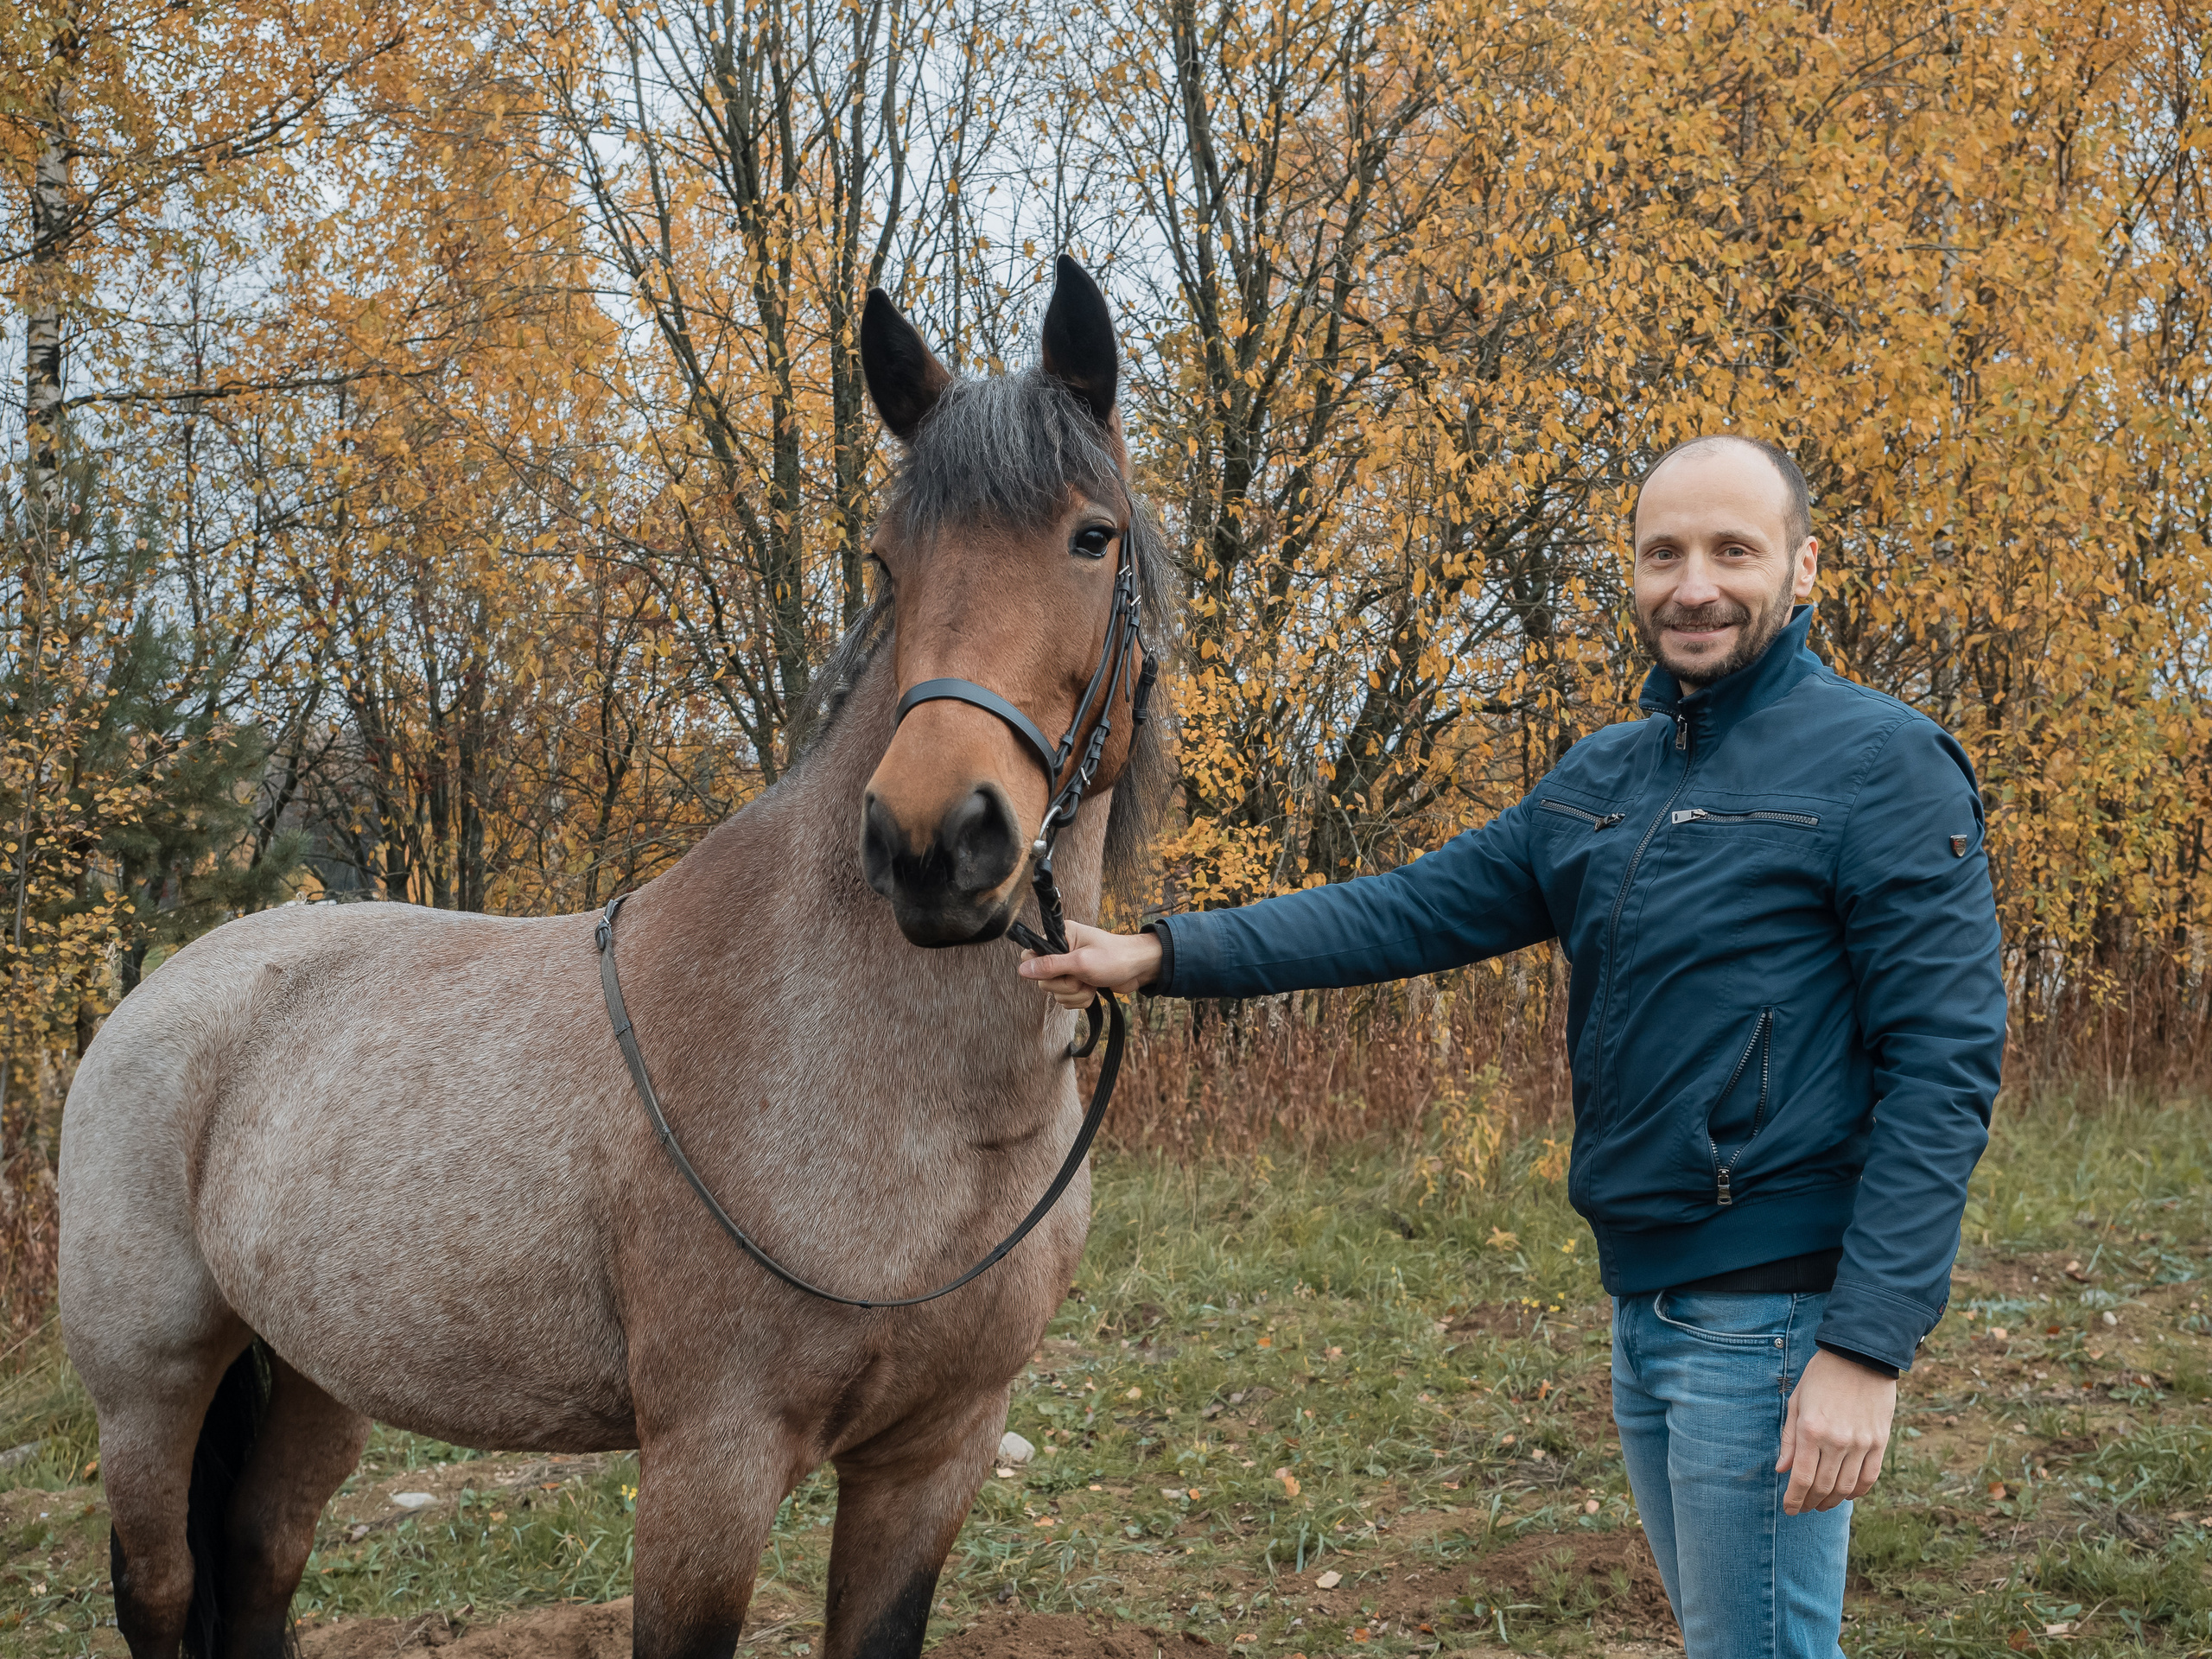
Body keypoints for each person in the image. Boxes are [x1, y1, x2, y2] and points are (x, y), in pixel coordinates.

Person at [1018, 435, 2006, 1659]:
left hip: (1771, 1314)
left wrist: (1865, 1347)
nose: (1692, 583)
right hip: (1649, 1306)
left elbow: (1945, 1064)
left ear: (1804, 570)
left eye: (1731, 551)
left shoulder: (1884, 766)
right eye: (1663, 553)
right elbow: (1406, 911)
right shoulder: (1608, 777)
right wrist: (1163, 955)